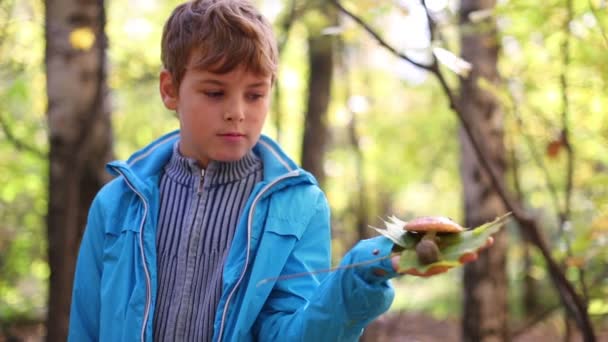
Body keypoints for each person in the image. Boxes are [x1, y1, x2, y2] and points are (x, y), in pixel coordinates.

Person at [67, 0, 491, 341]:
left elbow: (291, 332)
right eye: (215, 92)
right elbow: (86, 326)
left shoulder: (299, 207)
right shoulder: (117, 203)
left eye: (255, 95)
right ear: (170, 90)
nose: (237, 113)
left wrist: (364, 270)